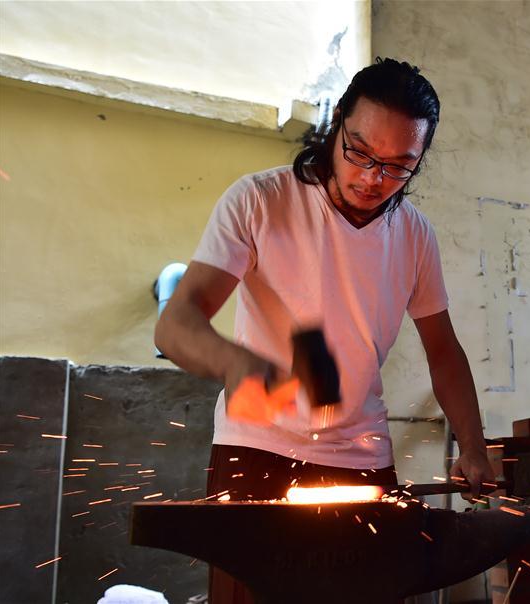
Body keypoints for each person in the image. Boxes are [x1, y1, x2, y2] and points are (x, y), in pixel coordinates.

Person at [154, 58, 495, 603]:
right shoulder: (260, 201)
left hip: (362, 455)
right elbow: (176, 323)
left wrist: (474, 447)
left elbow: (443, 351)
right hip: (257, 453)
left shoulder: (413, 236)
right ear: (337, 123)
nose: (370, 178)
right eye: (359, 152)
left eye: (397, 167)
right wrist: (235, 363)